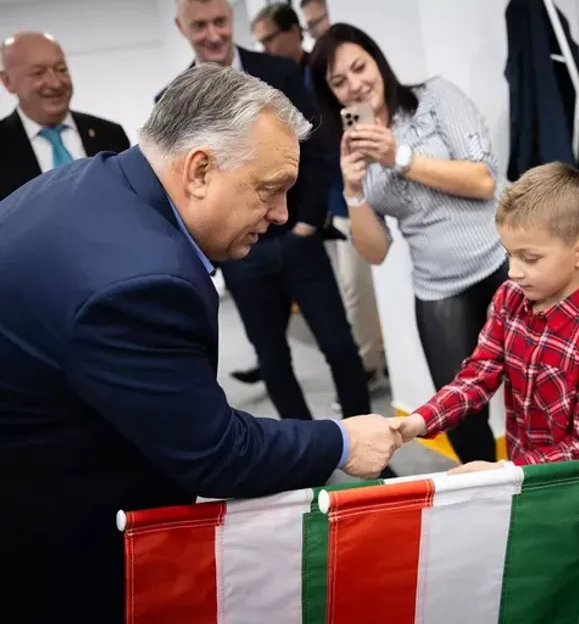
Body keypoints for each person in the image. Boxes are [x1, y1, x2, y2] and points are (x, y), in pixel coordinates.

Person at [0, 64, 401, 622]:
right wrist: (342, 441)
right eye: (270, 189)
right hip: (53, 532)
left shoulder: (92, 182)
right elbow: (214, 453)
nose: (281, 214)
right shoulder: (139, 282)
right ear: (200, 170)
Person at [391, 163, 579, 624]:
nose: (513, 271)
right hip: (530, 492)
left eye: (530, 258)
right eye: (509, 254)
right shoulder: (509, 298)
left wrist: (503, 470)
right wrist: (418, 421)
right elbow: (478, 375)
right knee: (541, 597)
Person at [161, 0, 376, 434]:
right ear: (181, 26)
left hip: (298, 239)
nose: (213, 34)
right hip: (240, 255)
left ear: (230, 16)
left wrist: (307, 222)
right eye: (200, 25)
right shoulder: (172, 102)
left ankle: (368, 453)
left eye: (221, 21)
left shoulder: (279, 72)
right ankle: (310, 458)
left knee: (340, 346)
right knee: (273, 358)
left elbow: (316, 149)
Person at [311, 23, 508, 464]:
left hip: (505, 261)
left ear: (377, 61)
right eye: (339, 81)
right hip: (438, 289)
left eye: (359, 67)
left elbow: (482, 180)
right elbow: (376, 251)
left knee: (560, 380)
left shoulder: (435, 98)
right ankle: (494, 496)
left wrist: (398, 157)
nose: (354, 85)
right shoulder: (352, 147)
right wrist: (353, 191)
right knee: (460, 417)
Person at [250, 3, 388, 396]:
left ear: (292, 31)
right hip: (324, 209)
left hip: (347, 201)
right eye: (260, 42)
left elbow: (341, 138)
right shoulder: (281, 79)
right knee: (346, 292)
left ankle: (367, 366)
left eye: (270, 38)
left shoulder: (323, 74)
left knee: (353, 292)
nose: (266, 48)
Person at [0, 31, 130, 200]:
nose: (56, 83)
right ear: (8, 82)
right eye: (38, 73)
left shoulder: (110, 134)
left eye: (61, 69)